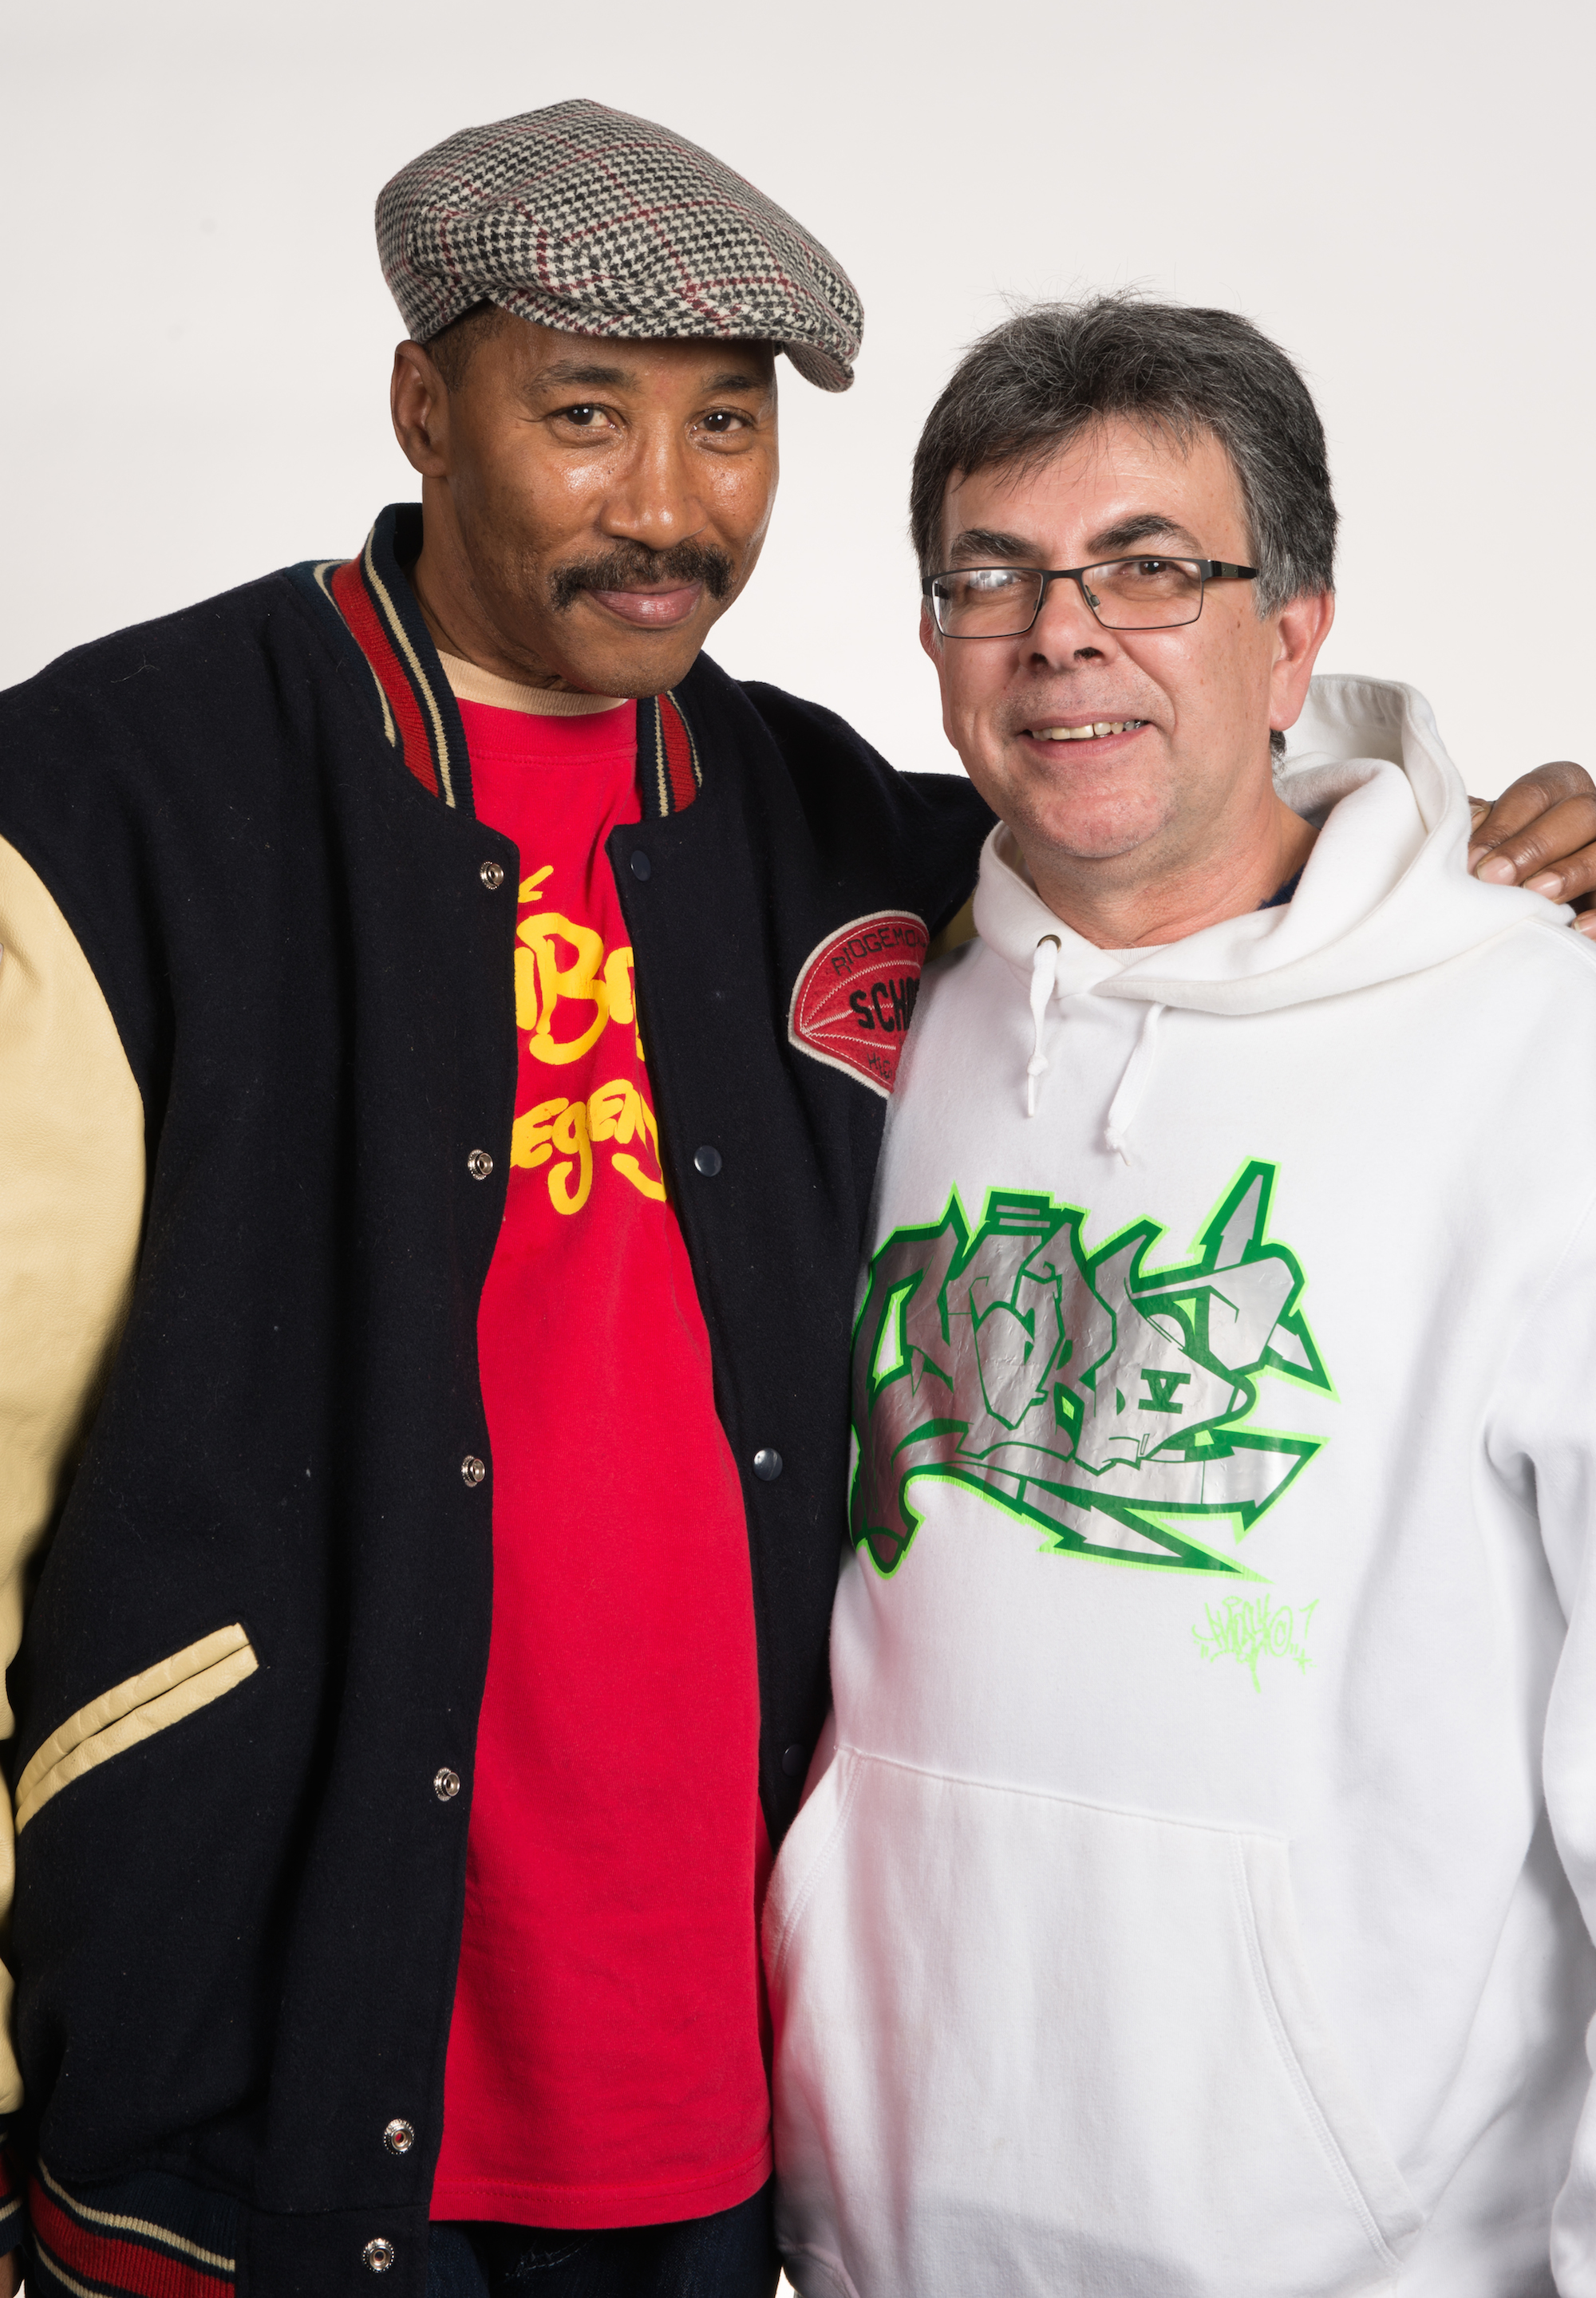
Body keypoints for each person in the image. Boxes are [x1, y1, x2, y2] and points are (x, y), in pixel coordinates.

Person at [0, 112, 1586, 2298]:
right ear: (422, 408)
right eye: (585, 415)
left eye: (727, 425)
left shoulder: (827, 831)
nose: (669, 504)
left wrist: (1468, 840)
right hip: (244, 2065)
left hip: (705, 2137)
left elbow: (1173, 822)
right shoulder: (118, 799)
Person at [764, 295, 1596, 2298]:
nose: (1063, 634)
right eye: (993, 575)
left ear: (1294, 632)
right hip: (872, 2242)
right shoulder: (866, 1025)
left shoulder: (1536, 1050)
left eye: (1149, 568)